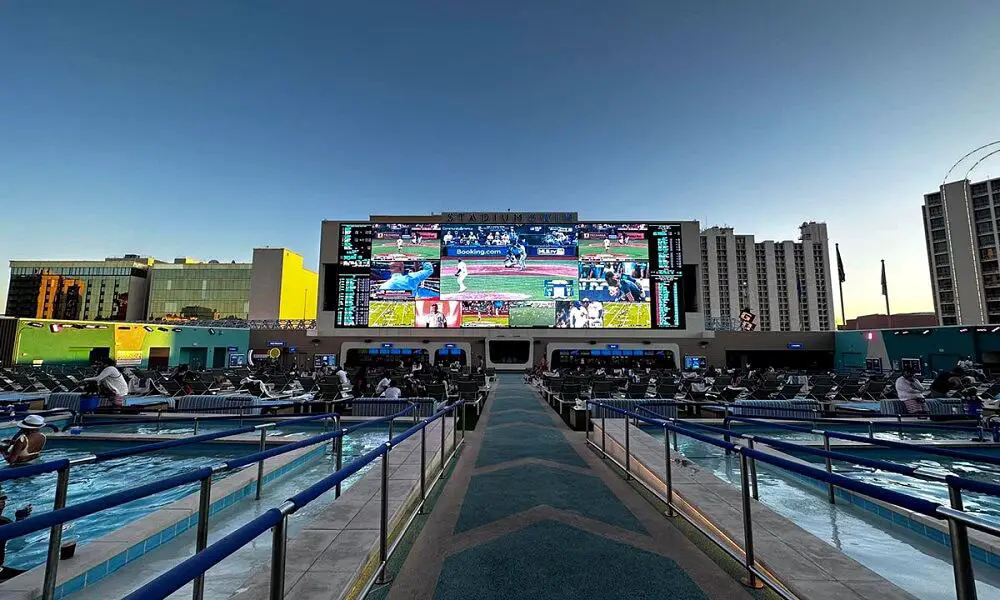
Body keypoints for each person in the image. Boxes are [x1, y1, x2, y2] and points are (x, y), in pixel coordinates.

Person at [0, 491, 33, 582]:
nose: (2, 502)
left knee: (31, 575)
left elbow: (17, 535)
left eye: (3, 500)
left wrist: (20, 519)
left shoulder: (4, 522)